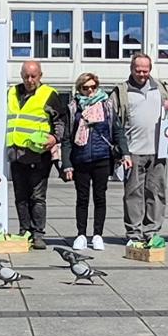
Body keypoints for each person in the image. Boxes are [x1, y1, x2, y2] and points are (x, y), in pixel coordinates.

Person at [7, 60, 66, 250]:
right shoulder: (11, 93)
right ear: (21, 75)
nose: (29, 80)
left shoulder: (49, 94)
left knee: (37, 196)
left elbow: (62, 120)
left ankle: (38, 233)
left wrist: (55, 138)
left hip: (38, 154)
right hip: (16, 153)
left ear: (41, 75)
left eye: (33, 76)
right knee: (20, 196)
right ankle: (25, 230)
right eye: (26, 76)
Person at [117, 53, 168, 248]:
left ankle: (152, 231)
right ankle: (133, 232)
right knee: (133, 193)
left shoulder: (161, 89)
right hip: (133, 152)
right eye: (138, 70)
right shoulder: (121, 91)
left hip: (159, 151)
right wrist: (122, 152)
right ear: (131, 69)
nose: (142, 74)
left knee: (156, 192)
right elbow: (115, 123)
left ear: (150, 69)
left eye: (145, 70)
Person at [62, 72, 123, 251]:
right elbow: (67, 137)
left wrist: (124, 153)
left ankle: (97, 235)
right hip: (80, 159)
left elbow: (117, 130)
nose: (89, 91)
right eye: (85, 88)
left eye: (93, 87)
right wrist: (66, 163)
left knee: (100, 197)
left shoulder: (107, 105)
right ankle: (81, 234)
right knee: (82, 199)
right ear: (79, 88)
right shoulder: (74, 107)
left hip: (102, 157)